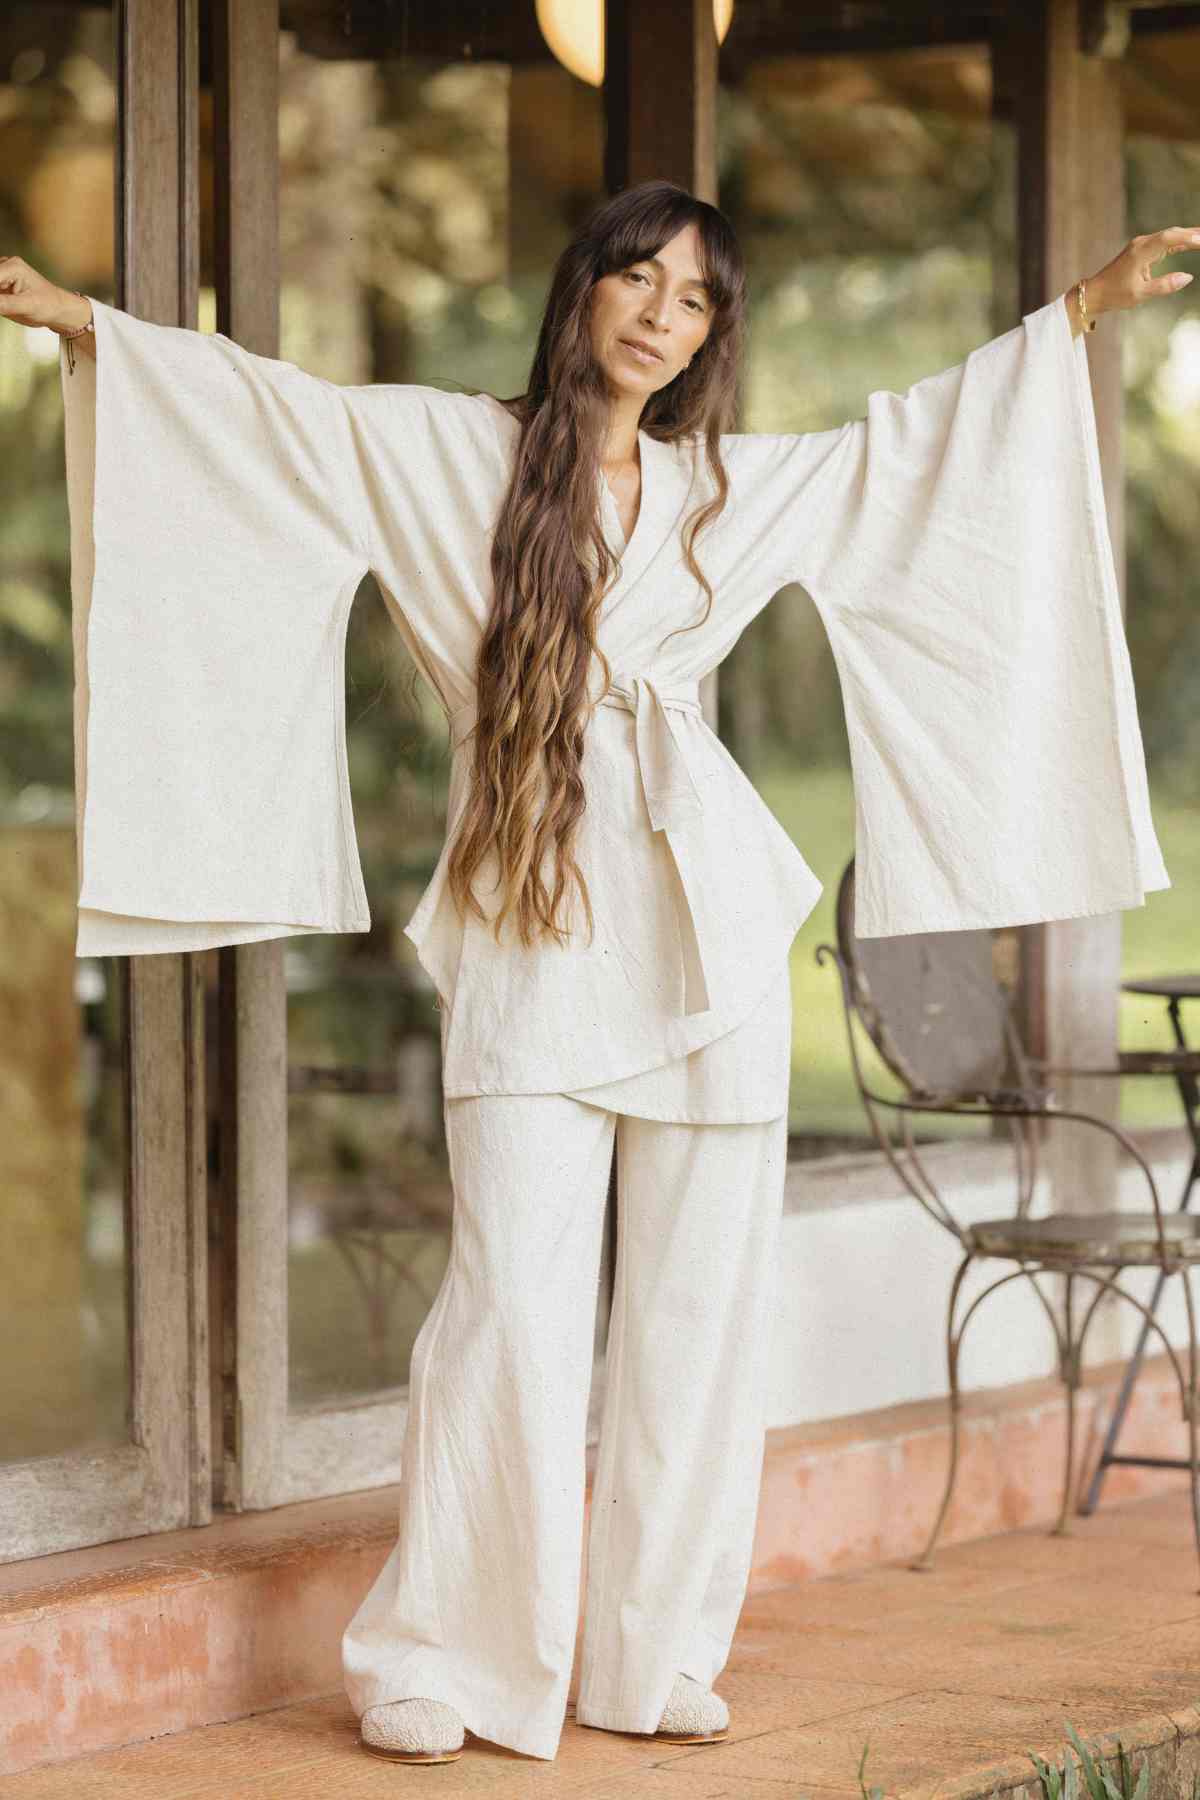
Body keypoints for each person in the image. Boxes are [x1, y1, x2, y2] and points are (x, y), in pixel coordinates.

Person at [0, 180, 1191, 1768]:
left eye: (693, 298)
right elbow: (272, 418)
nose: (658, 313)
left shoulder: (723, 489)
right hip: (530, 916)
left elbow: (901, 460)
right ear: (585, 292)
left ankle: (653, 1651)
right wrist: (89, 325)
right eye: (636, 277)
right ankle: (449, 1655)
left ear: (710, 335)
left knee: (700, 1309)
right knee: (508, 1304)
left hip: (705, 925)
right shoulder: (449, 453)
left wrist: (1084, 319)